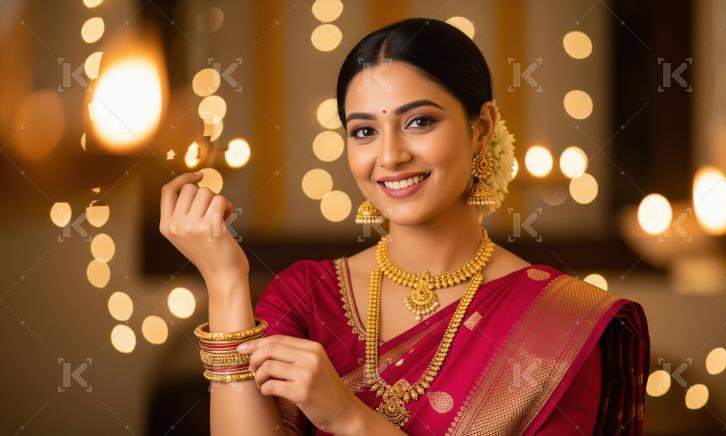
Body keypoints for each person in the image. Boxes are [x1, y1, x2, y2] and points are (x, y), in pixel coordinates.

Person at [160, 17, 649, 435]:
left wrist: (351, 418)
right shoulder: (305, 296)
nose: (390, 156)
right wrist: (224, 282)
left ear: (481, 129)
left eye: (419, 122)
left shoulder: (559, 322)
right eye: (365, 131)